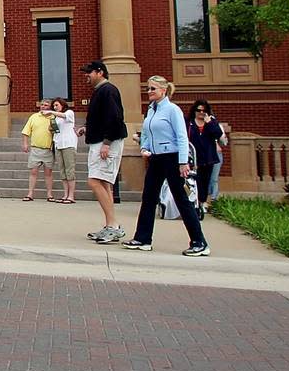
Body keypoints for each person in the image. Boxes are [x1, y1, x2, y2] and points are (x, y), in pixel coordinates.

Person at [122, 76, 211, 257]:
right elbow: (146, 132)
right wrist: (145, 147)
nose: (149, 92)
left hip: (172, 158)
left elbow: (182, 137)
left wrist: (183, 162)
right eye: (148, 89)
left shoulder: (172, 110)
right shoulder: (151, 110)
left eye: (153, 89)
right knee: (148, 197)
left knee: (182, 200)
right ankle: (143, 238)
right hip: (156, 158)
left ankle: (199, 242)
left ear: (163, 90)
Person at [77, 60, 128, 244]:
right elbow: (101, 117)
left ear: (100, 72)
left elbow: (115, 118)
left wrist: (107, 142)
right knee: (104, 184)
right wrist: (86, 127)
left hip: (106, 143)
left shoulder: (109, 90)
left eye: (89, 72)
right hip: (99, 141)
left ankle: (113, 226)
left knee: (94, 181)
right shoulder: (101, 91)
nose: (86, 76)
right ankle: (110, 225)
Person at [187, 99, 224, 219]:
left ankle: (202, 202)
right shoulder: (189, 123)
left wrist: (210, 123)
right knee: (193, 182)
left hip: (208, 158)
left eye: (204, 111)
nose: (201, 113)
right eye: (199, 110)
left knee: (205, 181)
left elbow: (218, 134)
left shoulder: (211, 122)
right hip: (193, 158)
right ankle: (193, 203)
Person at [20, 99, 56, 202]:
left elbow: (57, 132)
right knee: (33, 171)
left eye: (46, 105)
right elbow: (26, 132)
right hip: (35, 149)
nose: (43, 107)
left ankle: (49, 194)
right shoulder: (34, 117)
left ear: (50, 107)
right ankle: (30, 194)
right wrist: (25, 144)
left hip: (48, 149)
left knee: (48, 173)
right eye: (42, 105)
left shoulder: (53, 117)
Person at [49, 98, 77, 203]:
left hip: (68, 144)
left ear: (62, 105)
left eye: (57, 105)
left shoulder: (69, 112)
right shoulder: (56, 117)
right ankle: (65, 194)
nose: (55, 107)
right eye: (54, 106)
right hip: (58, 144)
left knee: (70, 170)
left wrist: (51, 112)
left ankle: (71, 196)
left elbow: (65, 116)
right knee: (62, 171)